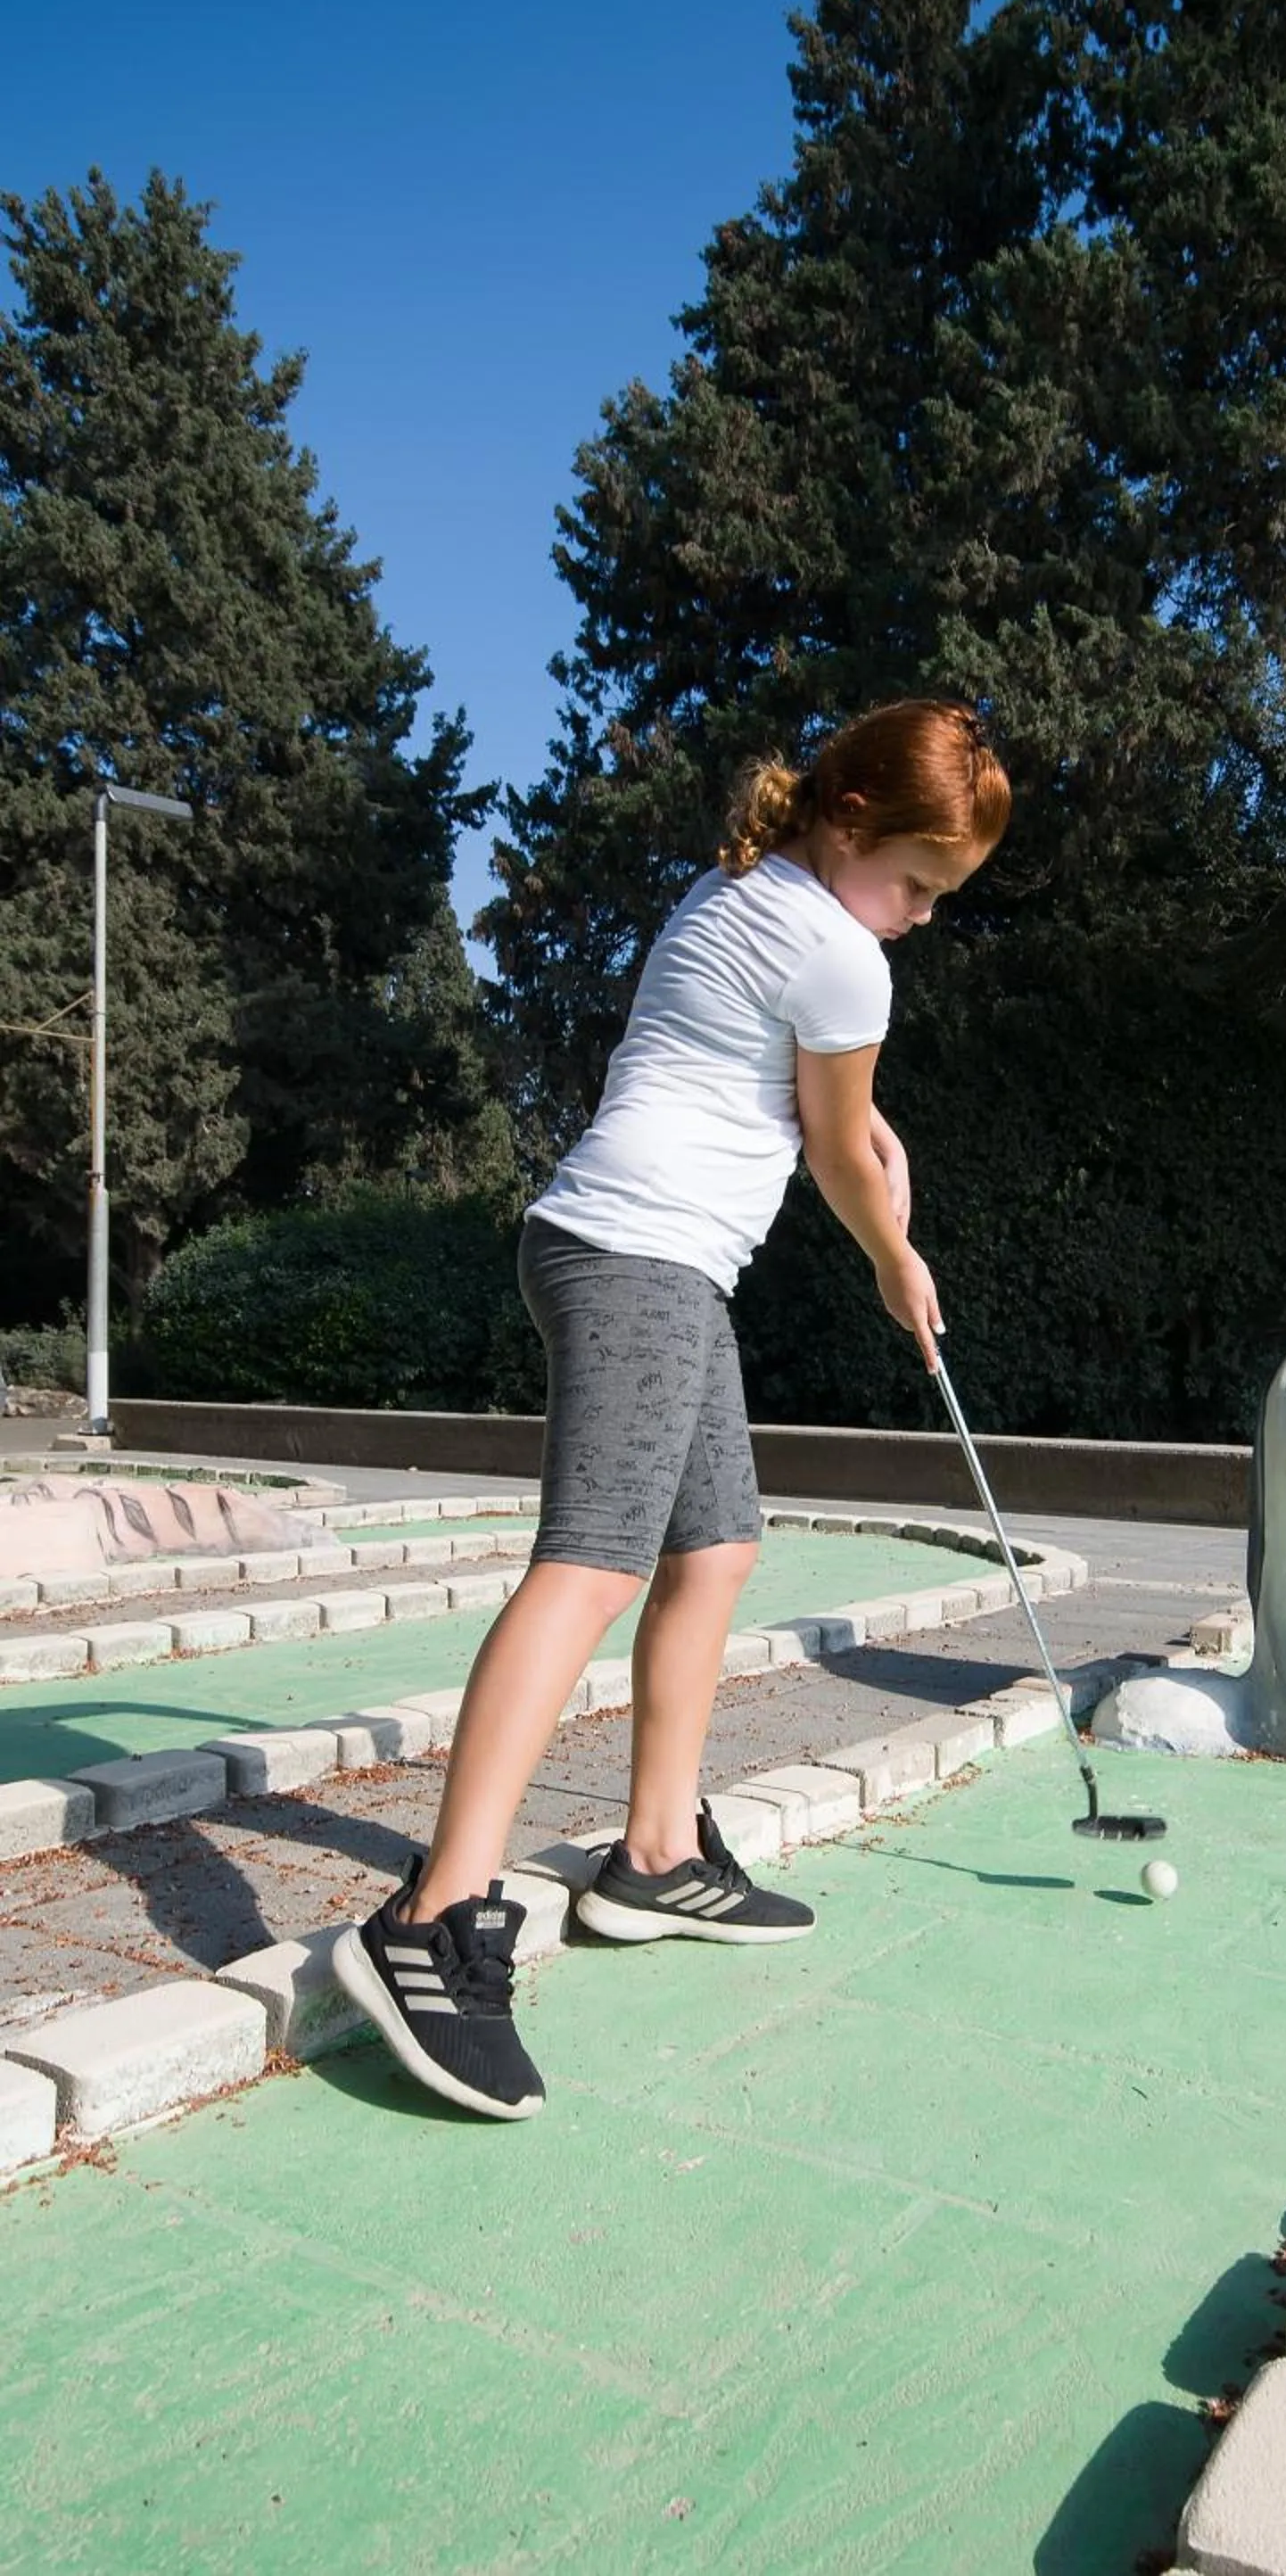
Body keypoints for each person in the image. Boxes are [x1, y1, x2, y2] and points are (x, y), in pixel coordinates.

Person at [334, 698, 1011, 2118]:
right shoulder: (839, 953)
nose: (920, 917)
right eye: (916, 883)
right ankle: (432, 1918)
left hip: (639, 1256)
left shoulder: (738, 884)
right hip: (638, 1254)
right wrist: (894, 1258)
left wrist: (862, 1130)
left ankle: (653, 1857)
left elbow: (774, 1079)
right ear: (850, 822)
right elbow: (834, 1147)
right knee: (591, 1565)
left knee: (715, 1549)